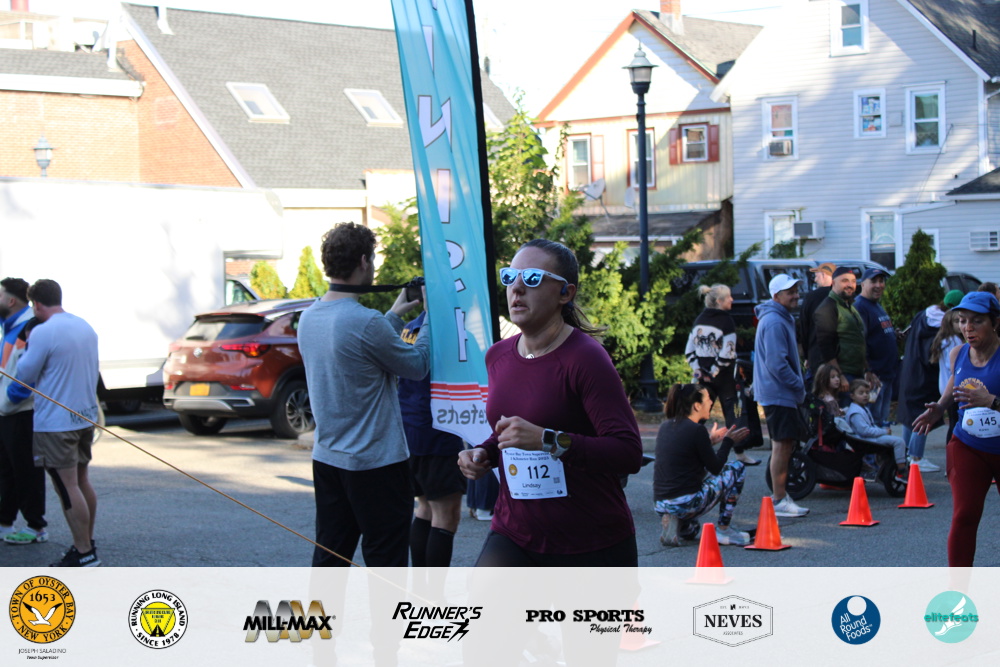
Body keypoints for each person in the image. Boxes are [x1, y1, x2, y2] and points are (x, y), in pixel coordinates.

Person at [457, 239, 643, 566]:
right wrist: (483, 453)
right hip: (514, 533)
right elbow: (511, 432)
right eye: (509, 277)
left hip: (589, 540)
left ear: (565, 293)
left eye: (532, 279)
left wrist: (549, 441)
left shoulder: (586, 358)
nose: (516, 289)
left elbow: (627, 452)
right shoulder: (497, 356)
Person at [298, 222, 428, 568]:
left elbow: (361, 350)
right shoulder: (365, 321)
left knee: (330, 556)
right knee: (386, 560)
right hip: (376, 464)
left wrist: (395, 314)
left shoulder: (308, 317)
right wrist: (430, 316)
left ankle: (321, 608)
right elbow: (416, 365)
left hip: (328, 459)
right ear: (363, 261)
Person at [9, 279, 100, 567]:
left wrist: (25, 347)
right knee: (82, 481)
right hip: (85, 416)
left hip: (56, 424)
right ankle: (87, 542)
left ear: (36, 304)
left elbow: (24, 374)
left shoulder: (43, 331)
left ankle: (84, 552)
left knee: (66, 487)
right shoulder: (84, 325)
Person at [913, 292, 1000, 567]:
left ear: (995, 322)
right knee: (964, 516)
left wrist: (992, 401)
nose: (968, 328)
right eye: (962, 320)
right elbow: (955, 379)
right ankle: (958, 587)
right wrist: (940, 406)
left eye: (977, 321)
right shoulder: (958, 353)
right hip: (968, 445)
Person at [397, 310, 465, 596]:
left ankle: (420, 590)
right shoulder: (450, 326)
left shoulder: (410, 328)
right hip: (438, 431)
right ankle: (434, 595)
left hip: (410, 428)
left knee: (425, 508)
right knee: (446, 514)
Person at [653, 383, 751, 547]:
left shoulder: (666, 426)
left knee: (693, 531)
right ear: (697, 406)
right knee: (736, 468)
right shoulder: (696, 430)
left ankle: (680, 525)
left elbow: (686, 455)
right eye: (708, 399)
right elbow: (716, 467)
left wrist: (709, 441)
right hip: (685, 502)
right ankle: (724, 529)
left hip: (661, 503)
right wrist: (728, 442)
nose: (711, 402)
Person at [753, 274, 809, 518]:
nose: (796, 295)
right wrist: (798, 385)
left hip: (778, 391)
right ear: (776, 296)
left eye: (796, 290)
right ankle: (778, 500)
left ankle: (781, 497)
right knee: (781, 445)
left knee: (784, 444)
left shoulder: (778, 317)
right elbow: (777, 363)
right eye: (790, 292)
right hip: (778, 392)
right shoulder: (775, 321)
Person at [684, 283, 758, 465]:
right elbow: (728, 351)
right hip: (725, 377)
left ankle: (687, 450)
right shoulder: (726, 321)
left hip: (703, 376)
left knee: (698, 411)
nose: (732, 300)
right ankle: (740, 453)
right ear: (719, 301)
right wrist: (715, 370)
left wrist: (699, 370)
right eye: (729, 297)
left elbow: (689, 349)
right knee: (735, 412)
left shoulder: (699, 319)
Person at [0, 278, 47, 545]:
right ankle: (5, 522)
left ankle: (36, 526)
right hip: (6, 411)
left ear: (10, 300)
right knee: (7, 470)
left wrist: (8, 400)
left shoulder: (27, 328)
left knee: (26, 470)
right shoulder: (9, 325)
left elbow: (26, 373)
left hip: (21, 410)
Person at [896, 297, 951, 473]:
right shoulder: (945, 329)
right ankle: (916, 456)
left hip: (910, 371)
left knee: (909, 417)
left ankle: (906, 455)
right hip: (926, 377)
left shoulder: (922, 316)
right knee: (923, 416)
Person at [810, 267, 876, 391]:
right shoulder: (827, 308)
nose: (850, 285)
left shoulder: (849, 306)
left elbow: (857, 339)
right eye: (844, 281)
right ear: (833, 283)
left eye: (853, 281)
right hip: (844, 375)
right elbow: (825, 347)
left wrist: (867, 369)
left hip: (856, 372)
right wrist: (839, 376)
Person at [853, 268, 898, 426]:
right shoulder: (860, 306)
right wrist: (868, 370)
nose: (879, 285)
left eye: (881, 281)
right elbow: (859, 341)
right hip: (874, 378)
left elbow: (877, 333)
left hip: (886, 374)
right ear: (863, 284)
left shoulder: (876, 305)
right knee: (873, 420)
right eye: (874, 281)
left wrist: (893, 334)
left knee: (881, 420)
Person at [845, 379, 908, 483]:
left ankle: (886, 466)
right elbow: (865, 431)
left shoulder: (862, 408)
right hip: (865, 440)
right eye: (861, 393)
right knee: (899, 442)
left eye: (867, 392)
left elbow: (870, 426)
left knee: (894, 440)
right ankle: (901, 471)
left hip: (868, 438)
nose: (865, 395)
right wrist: (883, 432)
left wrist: (882, 430)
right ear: (852, 396)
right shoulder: (856, 412)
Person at [930, 293, 964, 444]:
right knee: (955, 423)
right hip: (952, 388)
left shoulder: (944, 340)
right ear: (949, 323)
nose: (961, 325)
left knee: (953, 421)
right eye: (957, 321)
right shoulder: (953, 341)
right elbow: (954, 368)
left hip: (944, 387)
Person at [798, 261, 835, 376]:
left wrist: (807, 356)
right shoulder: (843, 296)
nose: (815, 280)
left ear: (824, 275)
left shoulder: (811, 297)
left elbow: (804, 327)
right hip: (839, 356)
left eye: (817, 276)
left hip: (817, 354)